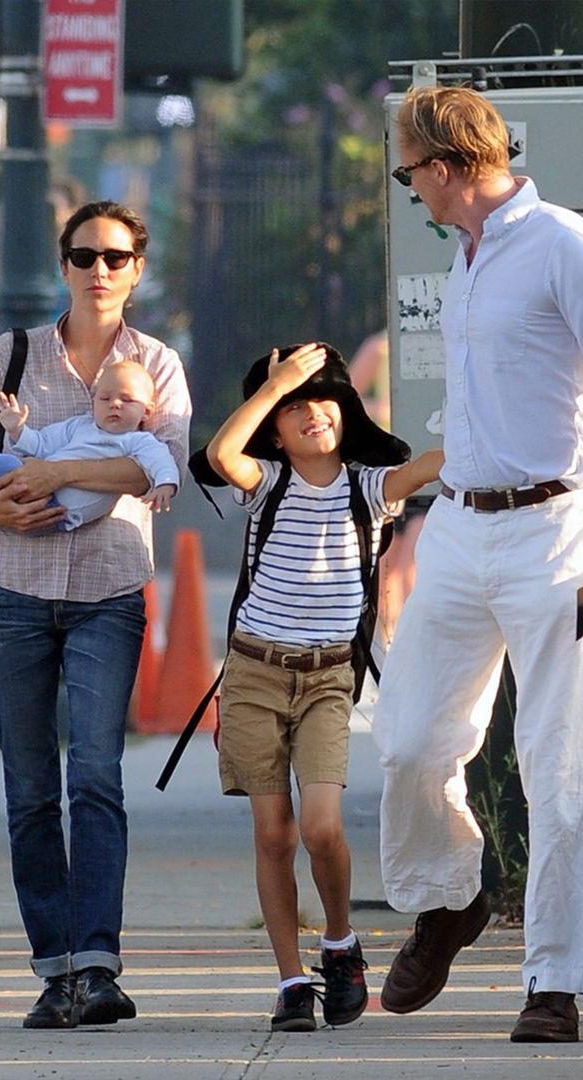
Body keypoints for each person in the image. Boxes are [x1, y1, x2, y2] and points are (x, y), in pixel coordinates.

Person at [371, 85, 583, 1044]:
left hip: (559, 530)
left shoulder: (565, 245)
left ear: (447, 167)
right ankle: (452, 897)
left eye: (410, 168)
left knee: (558, 760)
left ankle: (554, 980)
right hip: (460, 525)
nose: (408, 185)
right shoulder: (463, 254)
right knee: (410, 738)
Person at [0, 200, 191, 1029]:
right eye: (84, 257)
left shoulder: (157, 363)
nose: (99, 272)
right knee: (27, 787)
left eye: (116, 258)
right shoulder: (13, 357)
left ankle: (99, 963)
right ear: (63, 265)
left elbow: (162, 467)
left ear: (138, 270)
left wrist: (49, 475)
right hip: (9, 592)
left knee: (94, 777)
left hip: (108, 596)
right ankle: (55, 969)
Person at [197, 342, 443, 1033]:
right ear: (274, 427)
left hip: (329, 678)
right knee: (273, 834)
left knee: (321, 826)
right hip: (252, 674)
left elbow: (436, 463)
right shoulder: (265, 483)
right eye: (295, 407)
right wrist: (272, 383)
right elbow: (220, 456)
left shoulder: (370, 489)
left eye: (325, 400)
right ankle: (290, 980)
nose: (312, 414)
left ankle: (340, 942)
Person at [0, 360, 178, 531]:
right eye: (105, 398)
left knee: (8, 466)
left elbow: (162, 461)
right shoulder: (80, 426)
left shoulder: (140, 441)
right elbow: (41, 444)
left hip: (56, 514)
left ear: (147, 411)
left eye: (127, 400)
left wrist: (166, 482)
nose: (115, 405)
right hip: (25, 502)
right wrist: (18, 428)